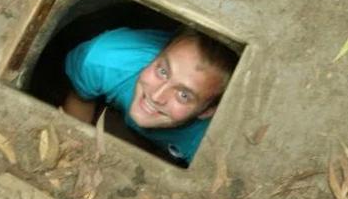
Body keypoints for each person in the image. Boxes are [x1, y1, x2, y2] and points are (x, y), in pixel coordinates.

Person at [62, 26, 238, 165]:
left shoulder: (215, 144)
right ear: (157, 55)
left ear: (208, 111)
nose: (156, 96)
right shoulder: (105, 60)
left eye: (184, 95)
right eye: (162, 71)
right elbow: (80, 98)